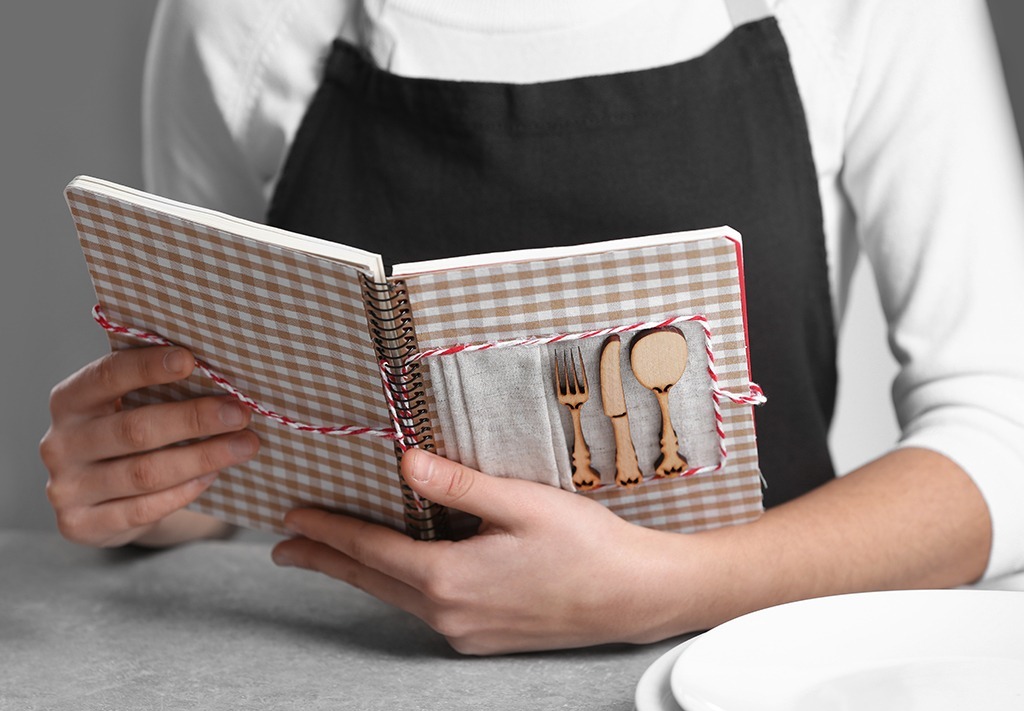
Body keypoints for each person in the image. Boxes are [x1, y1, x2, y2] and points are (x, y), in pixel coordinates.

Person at [40, 0, 1024, 654]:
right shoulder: (241, 17)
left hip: (751, 672)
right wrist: (148, 481)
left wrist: (678, 589)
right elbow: (237, 438)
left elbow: (1003, 431)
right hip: (349, 676)